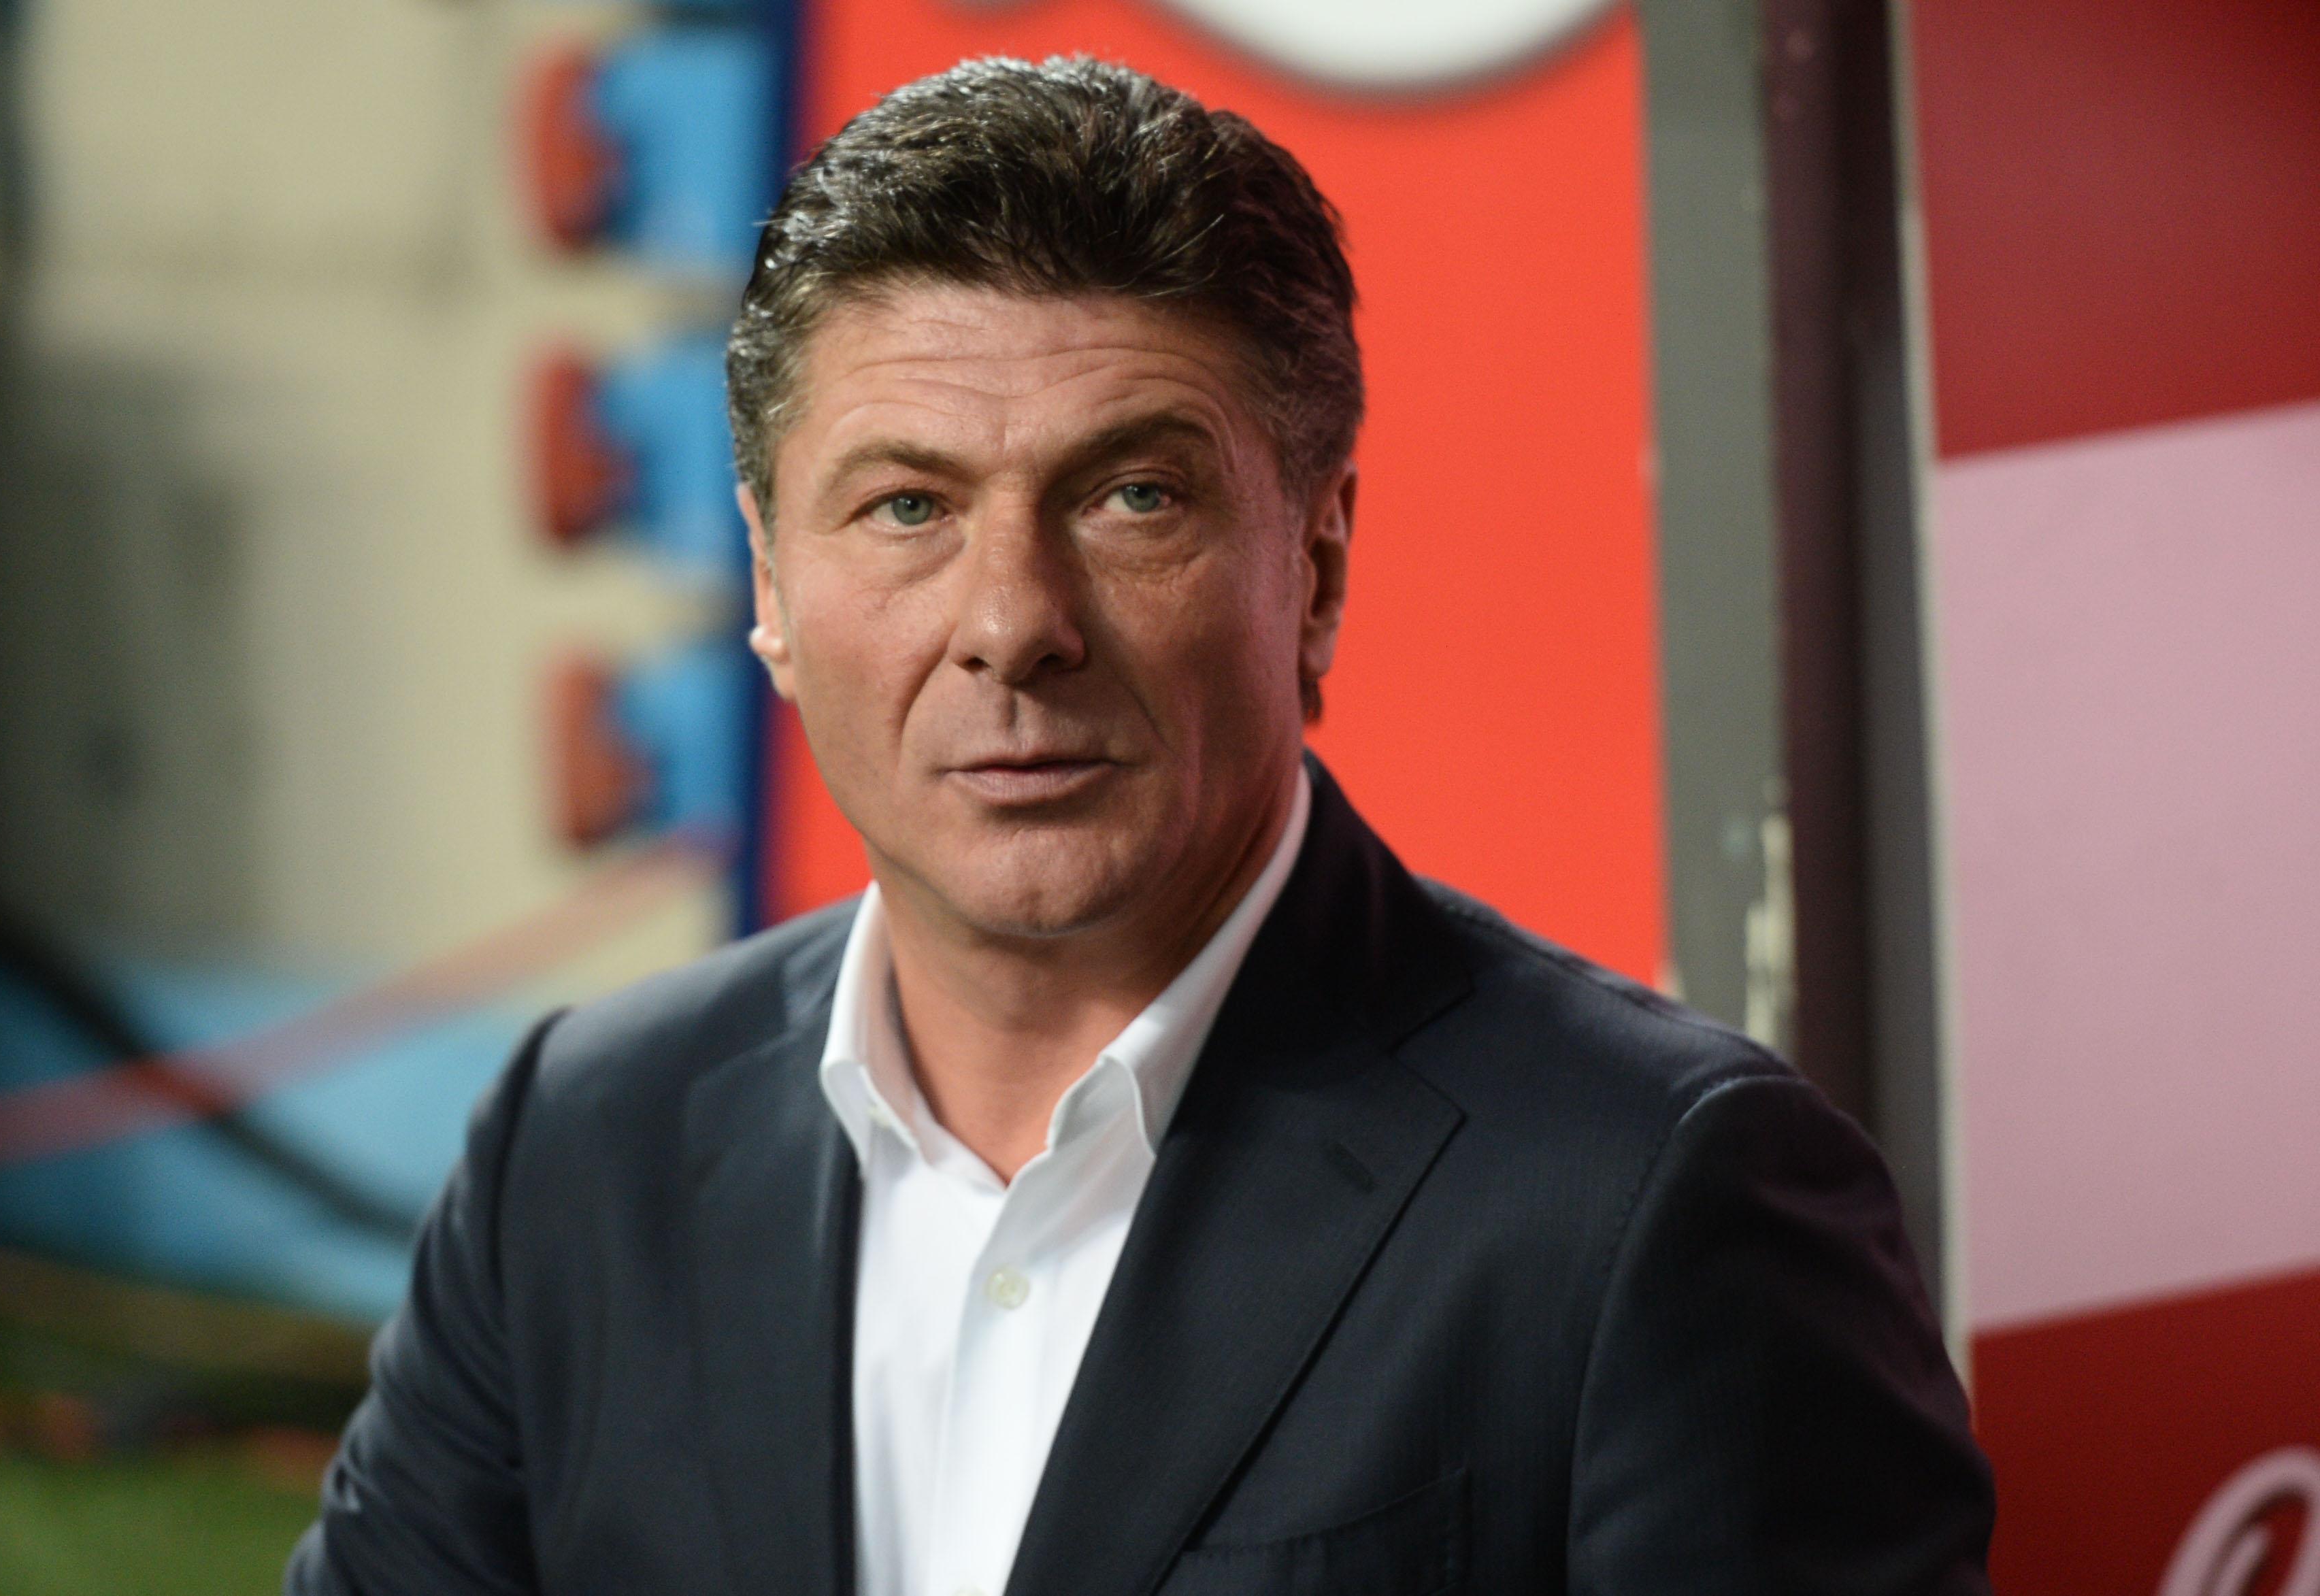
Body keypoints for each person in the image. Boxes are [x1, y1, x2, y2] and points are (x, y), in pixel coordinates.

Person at [287, 54, 1993, 1596]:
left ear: (1315, 565)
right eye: (905, 505)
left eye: (1131, 496)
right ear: (770, 587)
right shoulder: (581, 1145)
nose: (1009, 622)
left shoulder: (1654, 1197)